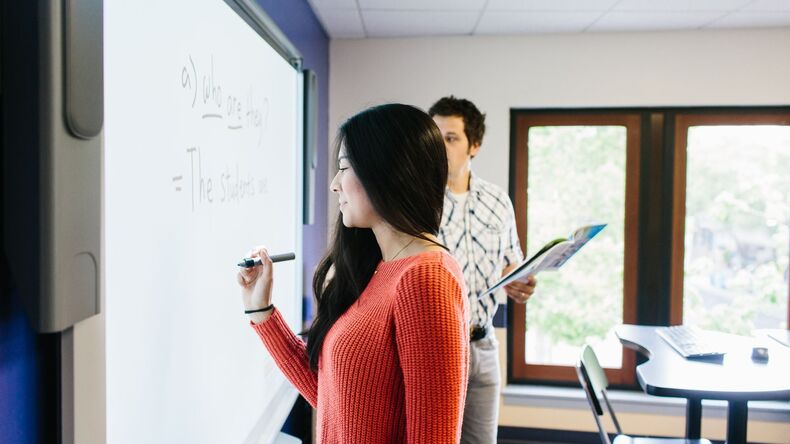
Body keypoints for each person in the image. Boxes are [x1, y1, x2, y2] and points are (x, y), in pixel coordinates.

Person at [237, 103, 470, 443]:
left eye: (344, 168)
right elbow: (335, 401)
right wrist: (262, 312)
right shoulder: (382, 267)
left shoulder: (426, 278)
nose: (334, 185)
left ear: (388, 173)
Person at [429, 96, 537, 443]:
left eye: (450, 138)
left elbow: (512, 262)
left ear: (474, 145)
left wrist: (521, 283)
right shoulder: (415, 202)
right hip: (434, 349)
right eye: (433, 137)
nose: (439, 146)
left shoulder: (498, 201)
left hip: (484, 346)